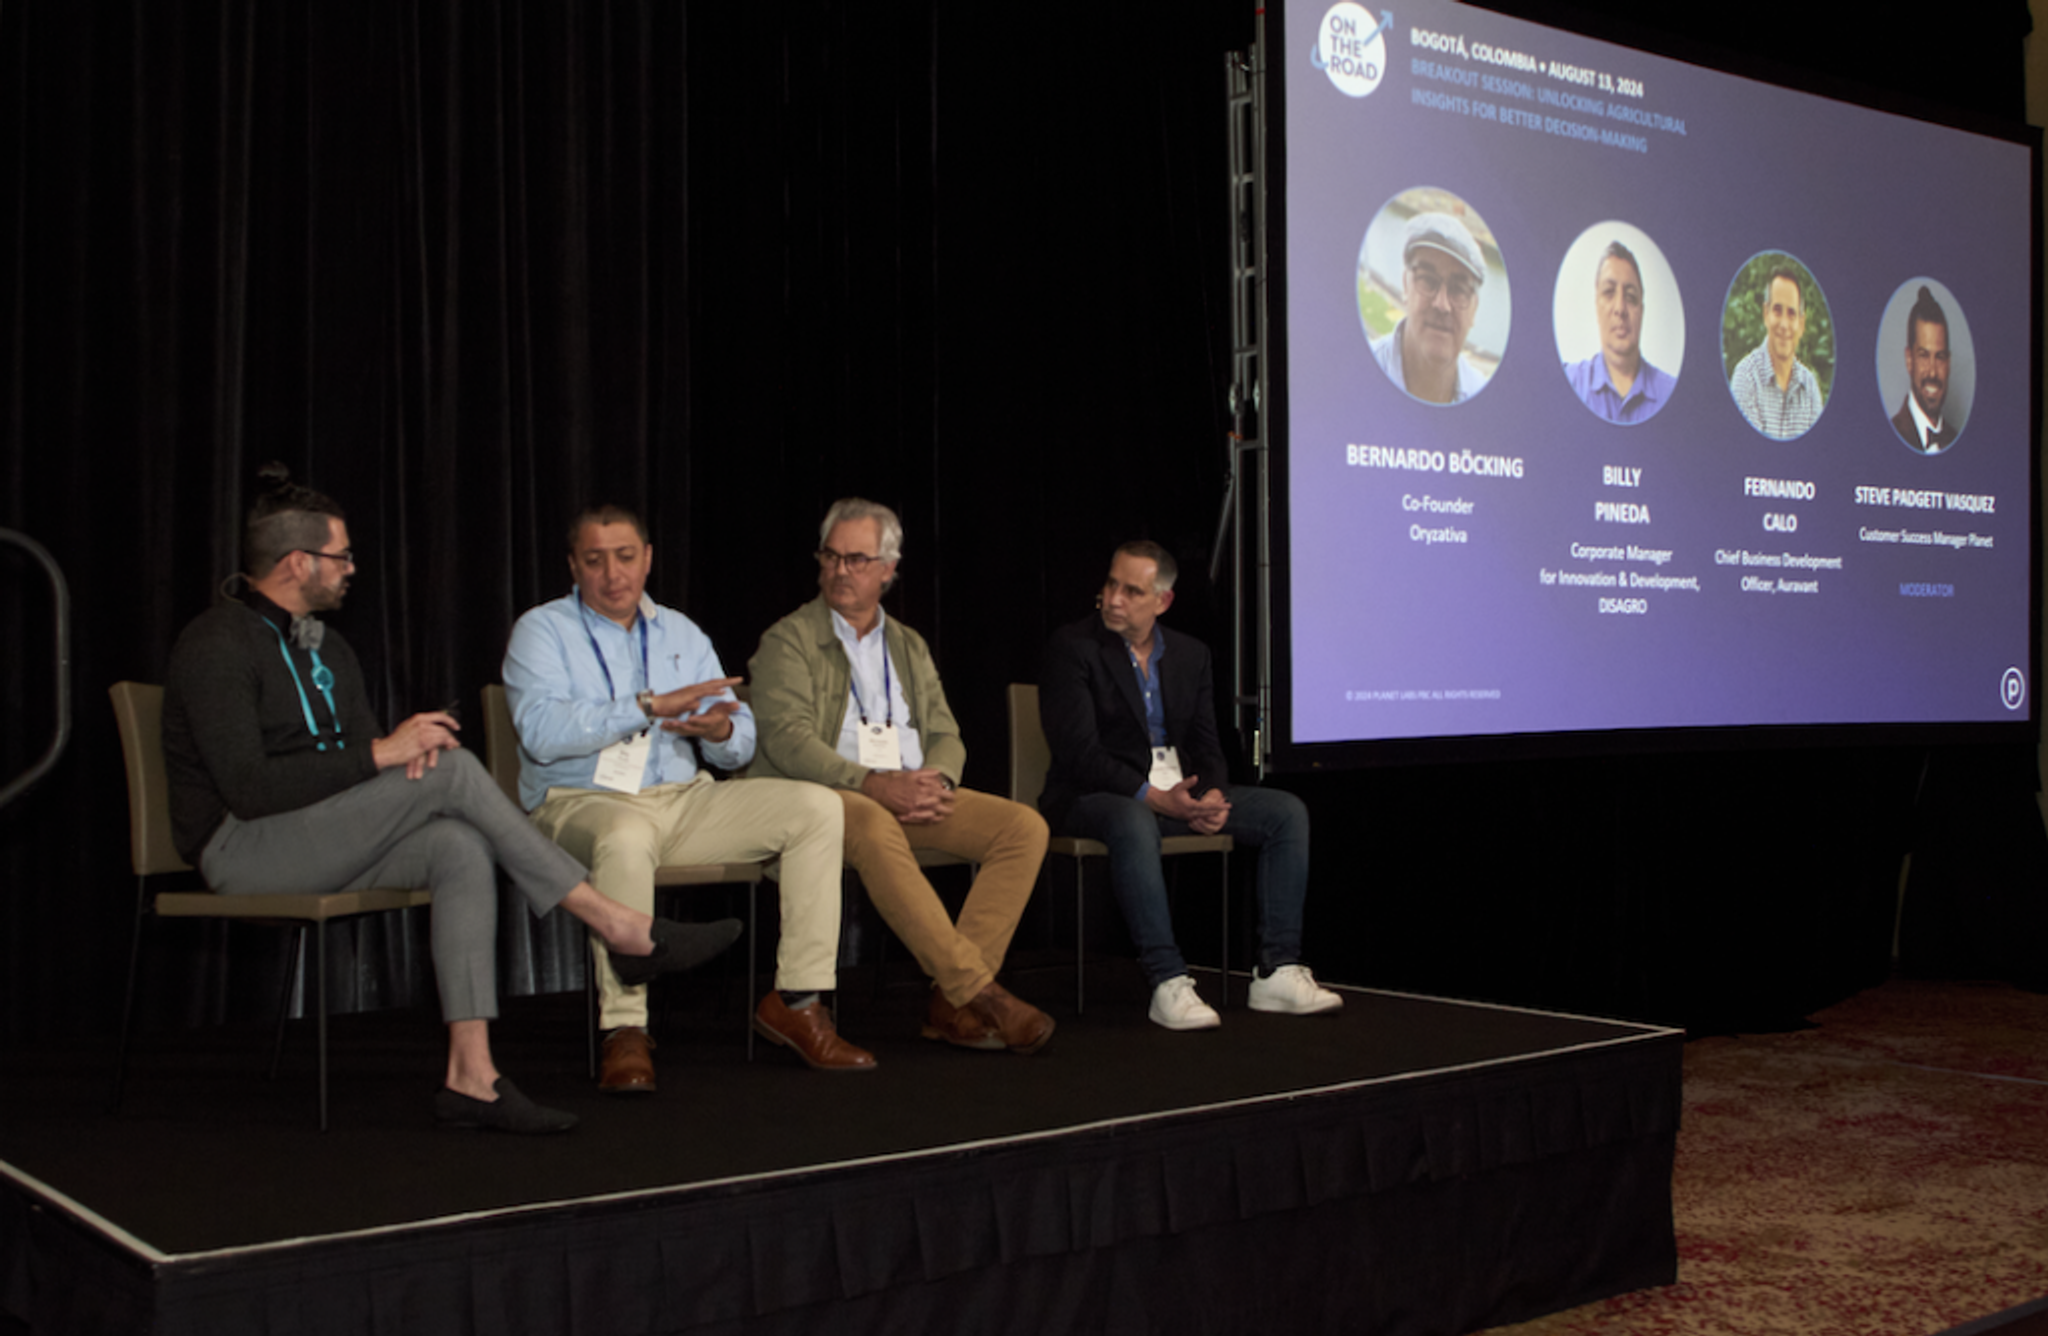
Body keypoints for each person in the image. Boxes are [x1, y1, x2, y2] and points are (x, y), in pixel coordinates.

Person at [163, 469, 739, 1133]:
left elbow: (346, 770)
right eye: (341, 555)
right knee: (455, 771)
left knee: (458, 846)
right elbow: (250, 789)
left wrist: (396, 758)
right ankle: (616, 925)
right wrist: (385, 754)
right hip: (242, 847)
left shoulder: (328, 647)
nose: (352, 568)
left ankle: (472, 1076)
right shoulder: (216, 644)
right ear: (298, 563)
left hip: (314, 835)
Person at [503, 505, 874, 1087]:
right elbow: (542, 735)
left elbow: (740, 739)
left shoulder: (681, 632)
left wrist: (720, 732)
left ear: (647, 559)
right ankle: (624, 1030)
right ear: (574, 566)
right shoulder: (541, 630)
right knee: (624, 838)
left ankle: (798, 1002)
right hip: (580, 801)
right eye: (595, 560)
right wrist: (647, 708)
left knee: (817, 806)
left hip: (681, 799)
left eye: (625, 557)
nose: (613, 573)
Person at [746, 498, 1055, 1054]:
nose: (841, 570)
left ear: (888, 569)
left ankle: (948, 1003)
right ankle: (979, 995)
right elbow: (787, 742)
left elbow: (945, 733)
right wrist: (872, 783)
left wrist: (937, 783)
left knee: (1023, 827)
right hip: (823, 801)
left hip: (906, 795)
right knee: (870, 817)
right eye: (832, 557)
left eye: (858, 559)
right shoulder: (787, 640)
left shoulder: (907, 645)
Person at [1037, 542, 1340, 1031]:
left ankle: (1276, 970)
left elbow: (1207, 744)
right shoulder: (1073, 648)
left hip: (1175, 796)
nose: (1114, 598)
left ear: (1162, 601)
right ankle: (1167, 980)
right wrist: (1157, 799)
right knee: (1134, 818)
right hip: (1088, 797)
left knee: (1286, 812)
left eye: (1131, 590)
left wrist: (1212, 796)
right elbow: (1080, 754)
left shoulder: (1190, 655)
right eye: (1111, 584)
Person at [1369, 211, 1489, 405]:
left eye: (1458, 289)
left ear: (1474, 308)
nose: (1442, 305)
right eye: (1427, 280)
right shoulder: (1359, 372)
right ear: (1406, 286)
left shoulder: (1484, 399)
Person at [1563, 240, 1674, 425]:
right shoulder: (1569, 382)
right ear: (1596, 306)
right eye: (1609, 292)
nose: (1620, 309)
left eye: (1630, 297)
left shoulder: (1672, 393)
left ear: (1642, 312)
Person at [1729, 266, 1825, 439]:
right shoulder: (1746, 378)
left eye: (1791, 314)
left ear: (1801, 325)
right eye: (1777, 310)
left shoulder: (1810, 388)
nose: (1783, 324)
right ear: (1766, 314)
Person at [1891, 286, 1960, 453]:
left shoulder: (1958, 440)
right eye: (1923, 355)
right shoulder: (1890, 435)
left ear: (1949, 363)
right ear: (1909, 360)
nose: (1932, 372)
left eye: (1940, 357)